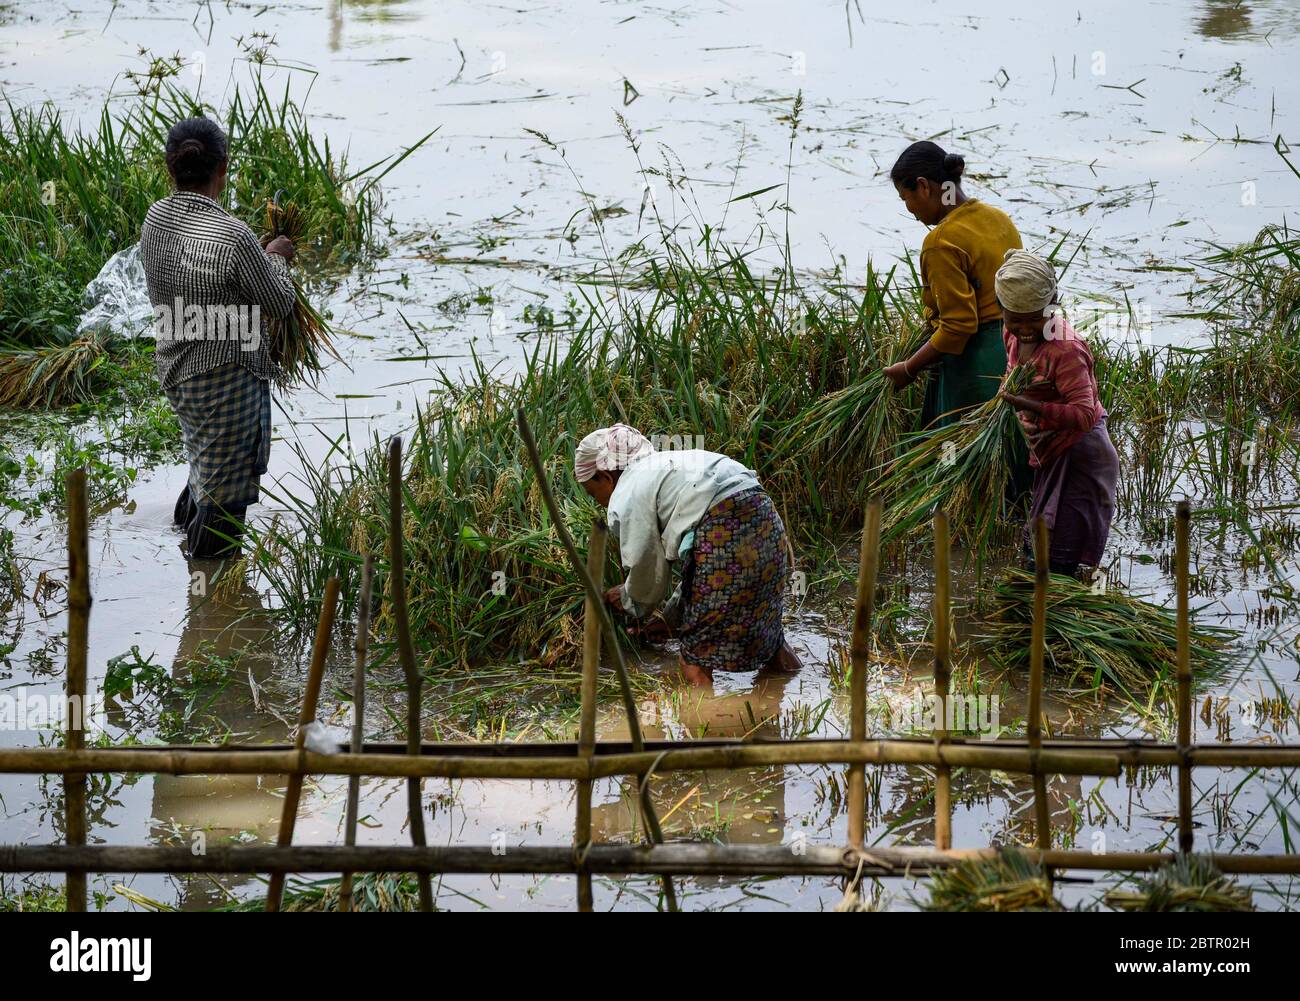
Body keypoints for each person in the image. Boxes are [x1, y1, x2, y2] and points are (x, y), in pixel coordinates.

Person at [139, 116, 297, 559]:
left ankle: (188, 562)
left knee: (204, 469)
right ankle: (211, 600)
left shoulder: (155, 218)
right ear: (222, 168)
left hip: (178, 372)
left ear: (170, 168)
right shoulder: (234, 236)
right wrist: (277, 257)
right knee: (223, 501)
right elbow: (280, 303)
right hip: (225, 380)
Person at [574, 425, 801, 686]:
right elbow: (702, 574)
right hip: (766, 519)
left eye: (593, 492)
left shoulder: (628, 491)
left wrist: (628, 599)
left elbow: (645, 567)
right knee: (770, 634)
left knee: (694, 658)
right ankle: (796, 687)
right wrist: (671, 620)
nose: (598, 501)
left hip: (723, 527)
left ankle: (703, 723)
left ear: (606, 477)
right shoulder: (673, 464)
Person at [995, 249, 1119, 579]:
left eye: (1035, 318)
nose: (1024, 328)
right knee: (1037, 548)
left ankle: (1057, 620)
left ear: (1052, 305)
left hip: (1079, 456)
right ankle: (1036, 617)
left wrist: (1026, 404)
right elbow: (1014, 372)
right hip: (1048, 452)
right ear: (1002, 310)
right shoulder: (1011, 332)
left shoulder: (1065, 349)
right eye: (1014, 318)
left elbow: (1084, 415)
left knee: (1058, 559)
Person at [882, 141, 1023, 430]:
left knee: (956, 458)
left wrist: (908, 369)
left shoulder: (941, 242)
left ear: (924, 186)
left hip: (977, 365)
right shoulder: (998, 218)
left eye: (904, 197)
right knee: (1014, 454)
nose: (909, 209)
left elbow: (959, 327)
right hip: (1018, 353)